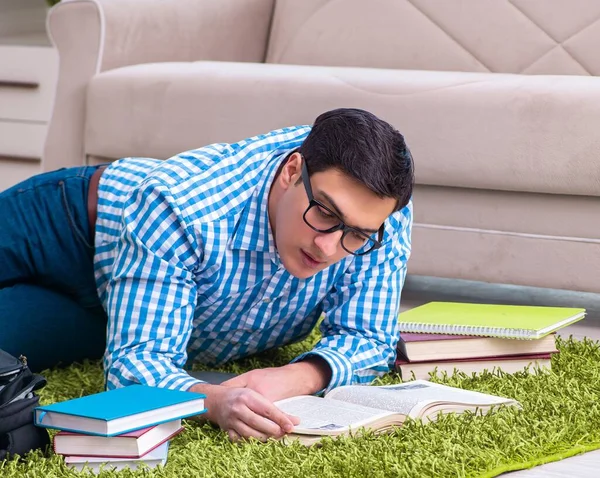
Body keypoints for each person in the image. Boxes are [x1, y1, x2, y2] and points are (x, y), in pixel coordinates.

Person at [0, 108, 414, 441]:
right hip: (67, 227)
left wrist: (300, 375)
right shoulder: (182, 206)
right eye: (323, 212)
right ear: (291, 171)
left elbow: (371, 337)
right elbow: (132, 370)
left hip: (110, 306)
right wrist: (212, 402)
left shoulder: (380, 216)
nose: (329, 247)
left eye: (355, 234)